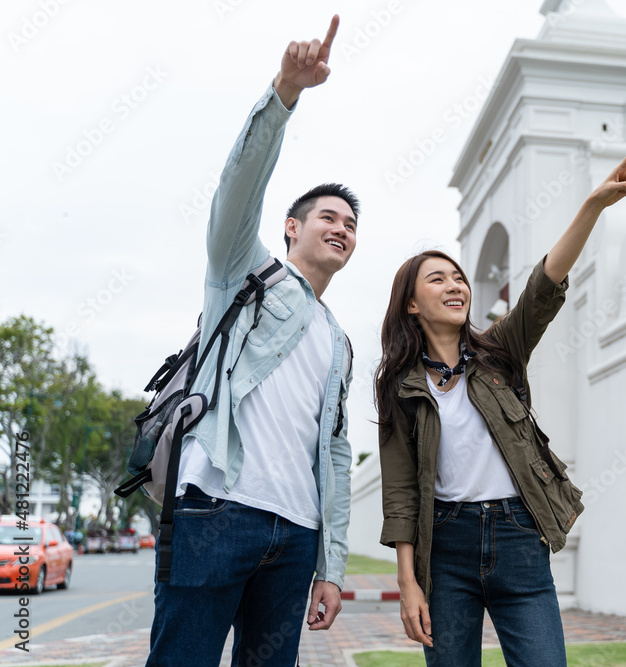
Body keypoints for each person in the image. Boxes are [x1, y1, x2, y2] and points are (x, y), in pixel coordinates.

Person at [375, 138, 626, 666]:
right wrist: (409, 584)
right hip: (445, 547)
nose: (455, 285)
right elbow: (402, 493)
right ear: (411, 303)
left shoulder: (501, 352)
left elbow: (542, 288)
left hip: (519, 536)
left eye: (459, 277)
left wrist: (591, 206)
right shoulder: (400, 386)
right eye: (437, 279)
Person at [146, 14, 356, 667]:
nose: (343, 228)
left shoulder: (339, 340)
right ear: (292, 226)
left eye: (352, 224)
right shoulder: (244, 269)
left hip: (295, 535)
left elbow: (338, 452)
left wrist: (332, 561)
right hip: (217, 508)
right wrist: (284, 94)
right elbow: (237, 190)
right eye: (329, 216)